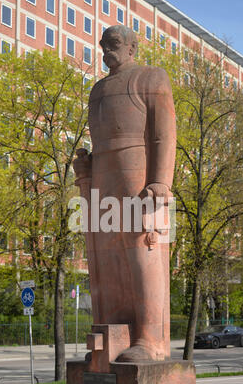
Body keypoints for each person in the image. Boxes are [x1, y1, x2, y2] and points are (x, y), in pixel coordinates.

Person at [73, 25, 176, 362]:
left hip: (139, 178)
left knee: (142, 249)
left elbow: (163, 135)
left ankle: (150, 339)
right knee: (107, 255)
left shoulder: (151, 77)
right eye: (103, 45)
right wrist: (87, 172)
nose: (106, 50)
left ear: (132, 47)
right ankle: (112, 335)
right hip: (104, 178)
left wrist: (161, 181)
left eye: (114, 44)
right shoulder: (98, 90)